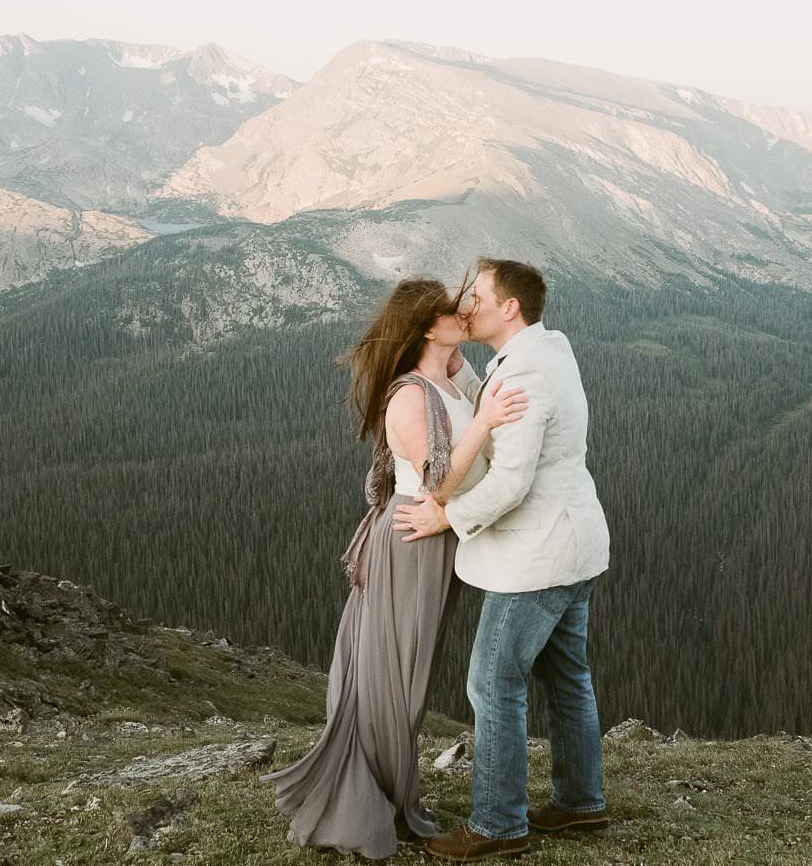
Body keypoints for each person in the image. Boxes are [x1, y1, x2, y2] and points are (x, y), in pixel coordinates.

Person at [262, 275, 530, 860]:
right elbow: (437, 482)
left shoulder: (450, 377)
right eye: (452, 312)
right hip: (413, 537)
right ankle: (373, 798)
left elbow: (472, 393)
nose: (465, 313)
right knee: (397, 673)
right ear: (428, 326)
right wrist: (484, 423)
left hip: (438, 539)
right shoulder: (410, 395)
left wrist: (470, 378)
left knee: (414, 668)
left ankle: (392, 789)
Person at [395, 257, 611, 862]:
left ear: (508, 307)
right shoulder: (543, 352)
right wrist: (464, 376)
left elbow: (511, 480)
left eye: (478, 296)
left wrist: (446, 516)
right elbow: (497, 407)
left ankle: (497, 822)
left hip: (535, 555)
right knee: (567, 679)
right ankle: (580, 802)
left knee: (493, 683)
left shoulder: (524, 376)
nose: (467, 306)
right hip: (575, 545)